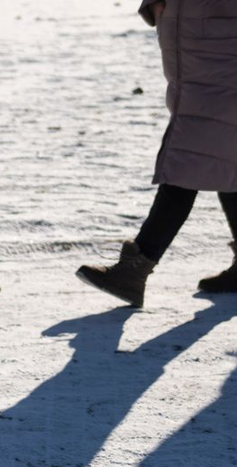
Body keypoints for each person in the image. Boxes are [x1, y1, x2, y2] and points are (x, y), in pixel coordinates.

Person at [78, 0, 237, 307]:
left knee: (186, 164)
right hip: (201, 56)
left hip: (215, 60)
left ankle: (135, 268)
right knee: (221, 158)